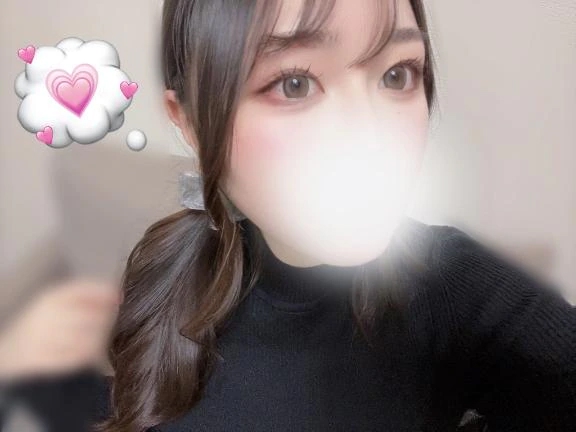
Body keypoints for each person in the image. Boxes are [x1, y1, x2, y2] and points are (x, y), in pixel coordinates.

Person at [3, 0, 576, 431]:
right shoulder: (161, 262)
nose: (372, 139)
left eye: (397, 74)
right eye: (295, 84)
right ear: (190, 122)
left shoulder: (450, 285)